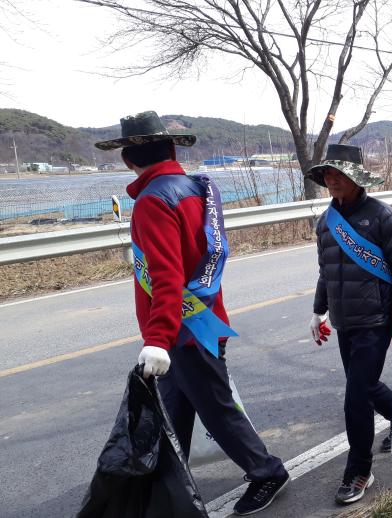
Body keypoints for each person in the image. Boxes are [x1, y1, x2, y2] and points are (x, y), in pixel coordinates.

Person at [95, 111, 289, 516]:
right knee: (172, 410)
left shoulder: (153, 201)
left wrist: (157, 338)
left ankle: (266, 471)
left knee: (215, 407)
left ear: (128, 159)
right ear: (169, 149)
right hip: (201, 318)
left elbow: (166, 275)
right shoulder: (194, 187)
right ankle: (162, 483)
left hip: (181, 331)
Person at [305, 144, 392, 505]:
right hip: (346, 321)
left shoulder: (382, 217)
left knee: (355, 396)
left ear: (356, 178)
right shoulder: (326, 222)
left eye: (338, 174)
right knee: (366, 384)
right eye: (327, 174)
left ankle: (359, 469)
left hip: (376, 320)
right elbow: (326, 271)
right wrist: (319, 310)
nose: (332, 180)